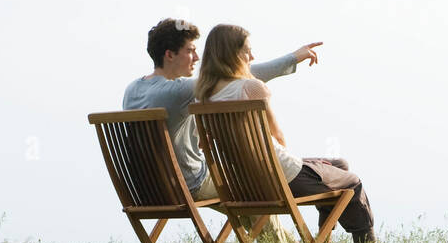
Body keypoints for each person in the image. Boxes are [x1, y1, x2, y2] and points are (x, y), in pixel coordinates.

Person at [195, 24, 382, 243]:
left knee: (338, 164)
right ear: (232, 55)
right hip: (281, 177)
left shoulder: (205, 96)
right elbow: (279, 138)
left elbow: (204, 144)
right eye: (247, 52)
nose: (252, 57)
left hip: (245, 183)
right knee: (353, 182)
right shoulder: (252, 87)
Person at [123, 18, 322, 207]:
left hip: (146, 190)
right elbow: (235, 79)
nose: (197, 58)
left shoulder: (132, 89)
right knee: (255, 186)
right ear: (170, 55)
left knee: (241, 195)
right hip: (187, 185)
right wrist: (293, 57)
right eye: (190, 50)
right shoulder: (178, 91)